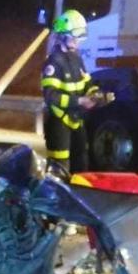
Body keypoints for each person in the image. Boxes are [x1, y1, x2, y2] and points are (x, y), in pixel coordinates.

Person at [41, 10, 101, 173]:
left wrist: (96, 95)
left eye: (80, 38)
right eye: (75, 37)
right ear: (63, 36)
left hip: (77, 120)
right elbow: (50, 95)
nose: (77, 42)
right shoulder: (53, 62)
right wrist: (79, 101)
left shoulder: (77, 59)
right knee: (60, 170)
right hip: (59, 123)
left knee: (81, 167)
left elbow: (87, 83)